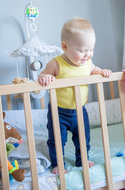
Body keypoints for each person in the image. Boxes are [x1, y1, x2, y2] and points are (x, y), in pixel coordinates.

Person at [38, 18, 112, 174]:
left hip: (80, 110)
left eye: (90, 49)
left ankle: (82, 159)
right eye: (82, 50)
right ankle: (58, 164)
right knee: (57, 140)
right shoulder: (56, 63)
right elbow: (43, 74)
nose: (87, 55)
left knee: (83, 138)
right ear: (65, 47)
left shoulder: (87, 63)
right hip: (59, 112)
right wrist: (44, 77)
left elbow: (95, 70)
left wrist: (101, 72)